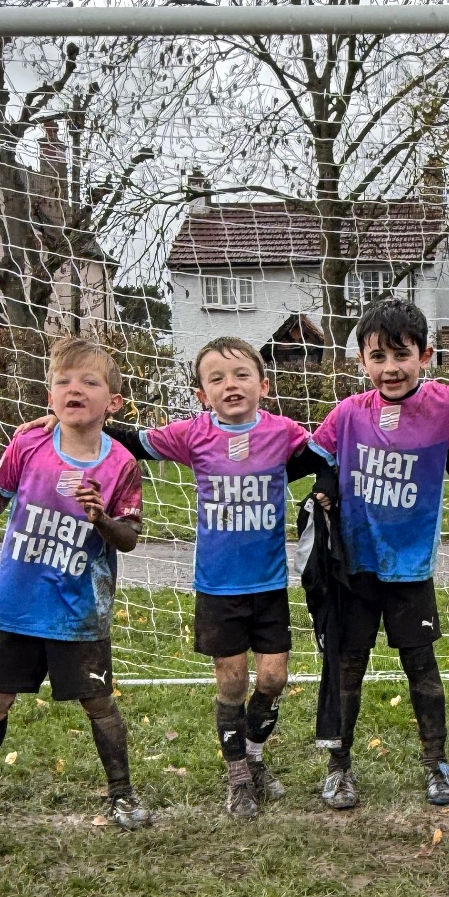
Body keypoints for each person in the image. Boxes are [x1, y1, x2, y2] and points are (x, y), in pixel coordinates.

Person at [103, 336, 327, 819]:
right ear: (203, 394)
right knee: (233, 681)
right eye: (217, 379)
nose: (231, 385)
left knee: (273, 676)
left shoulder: (284, 432)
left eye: (241, 375)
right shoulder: (193, 435)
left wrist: (327, 488)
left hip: (268, 582)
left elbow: (329, 457)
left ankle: (254, 756)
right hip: (217, 585)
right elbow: (133, 441)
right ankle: (239, 777)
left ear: (263, 384)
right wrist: (71, 420)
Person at [307, 297, 449, 810]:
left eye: (402, 355)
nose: (390, 368)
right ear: (361, 361)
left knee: (421, 665)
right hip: (354, 565)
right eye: (377, 357)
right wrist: (327, 486)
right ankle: (339, 768)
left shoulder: (447, 405)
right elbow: (320, 459)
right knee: (347, 665)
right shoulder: (348, 413)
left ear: (426, 355)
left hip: (410, 564)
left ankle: (435, 762)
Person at [0, 338, 148, 832]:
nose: (74, 389)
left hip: (79, 609)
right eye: (63, 382)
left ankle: (122, 793)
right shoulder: (28, 443)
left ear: (111, 403)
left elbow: (131, 537)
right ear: (49, 397)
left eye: (89, 382)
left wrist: (101, 519)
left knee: (98, 701)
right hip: (19, 601)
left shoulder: (121, 465)